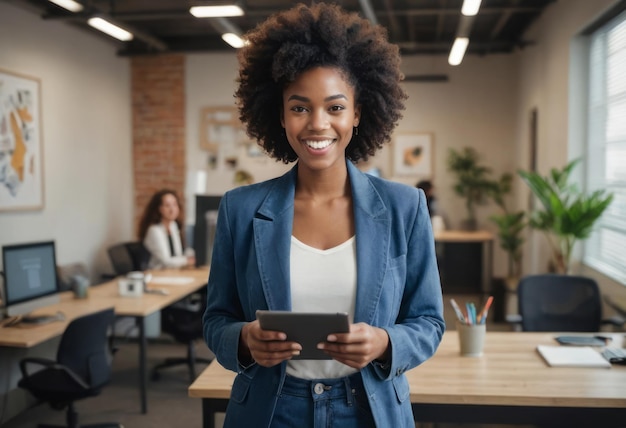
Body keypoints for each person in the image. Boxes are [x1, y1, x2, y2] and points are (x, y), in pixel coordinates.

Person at [203, 4, 445, 427]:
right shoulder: (240, 210)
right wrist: (242, 340)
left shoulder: (405, 207)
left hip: (368, 409)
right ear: (280, 115)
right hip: (273, 409)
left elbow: (428, 321)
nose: (317, 124)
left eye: (335, 108)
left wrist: (386, 341)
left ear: (358, 113)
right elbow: (216, 319)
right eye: (300, 108)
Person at [138, 189, 195, 269]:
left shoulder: (173, 225)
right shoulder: (154, 230)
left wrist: (194, 255)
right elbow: (166, 261)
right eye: (167, 205)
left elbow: (178, 254)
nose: (172, 209)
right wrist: (187, 260)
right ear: (159, 209)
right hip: (157, 273)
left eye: (175, 204)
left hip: (172, 273)